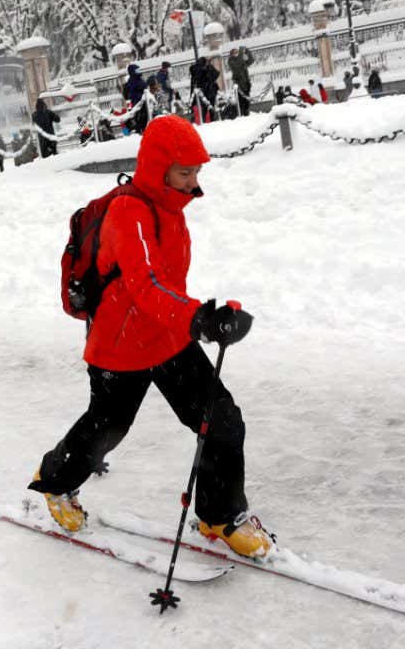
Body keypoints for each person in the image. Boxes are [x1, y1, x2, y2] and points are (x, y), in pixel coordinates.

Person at [27, 115, 270, 558]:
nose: (193, 182)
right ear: (159, 167)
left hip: (168, 337)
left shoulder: (171, 210)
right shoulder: (129, 211)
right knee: (106, 431)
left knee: (222, 421)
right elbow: (145, 285)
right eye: (185, 172)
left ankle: (219, 515)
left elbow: (166, 286)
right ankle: (55, 482)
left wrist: (206, 316)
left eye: (197, 172)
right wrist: (198, 318)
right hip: (119, 349)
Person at [228, 46, 254, 116]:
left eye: (237, 52)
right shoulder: (231, 61)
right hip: (238, 84)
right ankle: (242, 114)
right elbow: (237, 66)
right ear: (232, 54)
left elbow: (251, 61)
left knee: (246, 100)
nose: (237, 53)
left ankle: (246, 113)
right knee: (241, 101)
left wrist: (247, 51)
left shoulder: (241, 60)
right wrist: (241, 54)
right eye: (235, 52)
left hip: (246, 83)